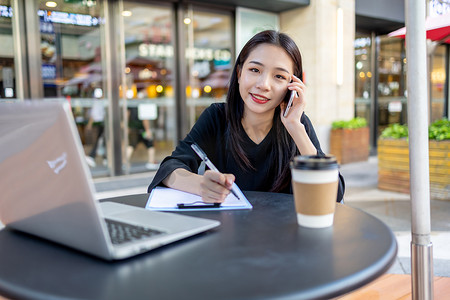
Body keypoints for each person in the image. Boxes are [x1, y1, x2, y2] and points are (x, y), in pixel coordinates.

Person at [148, 30, 345, 203]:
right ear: (240, 73)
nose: (263, 84)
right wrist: (200, 185)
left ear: (292, 86)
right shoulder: (217, 117)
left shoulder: (298, 125)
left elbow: (333, 194)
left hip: (284, 237)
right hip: (227, 236)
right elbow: (170, 168)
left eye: (279, 76)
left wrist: (295, 127)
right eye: (255, 70)